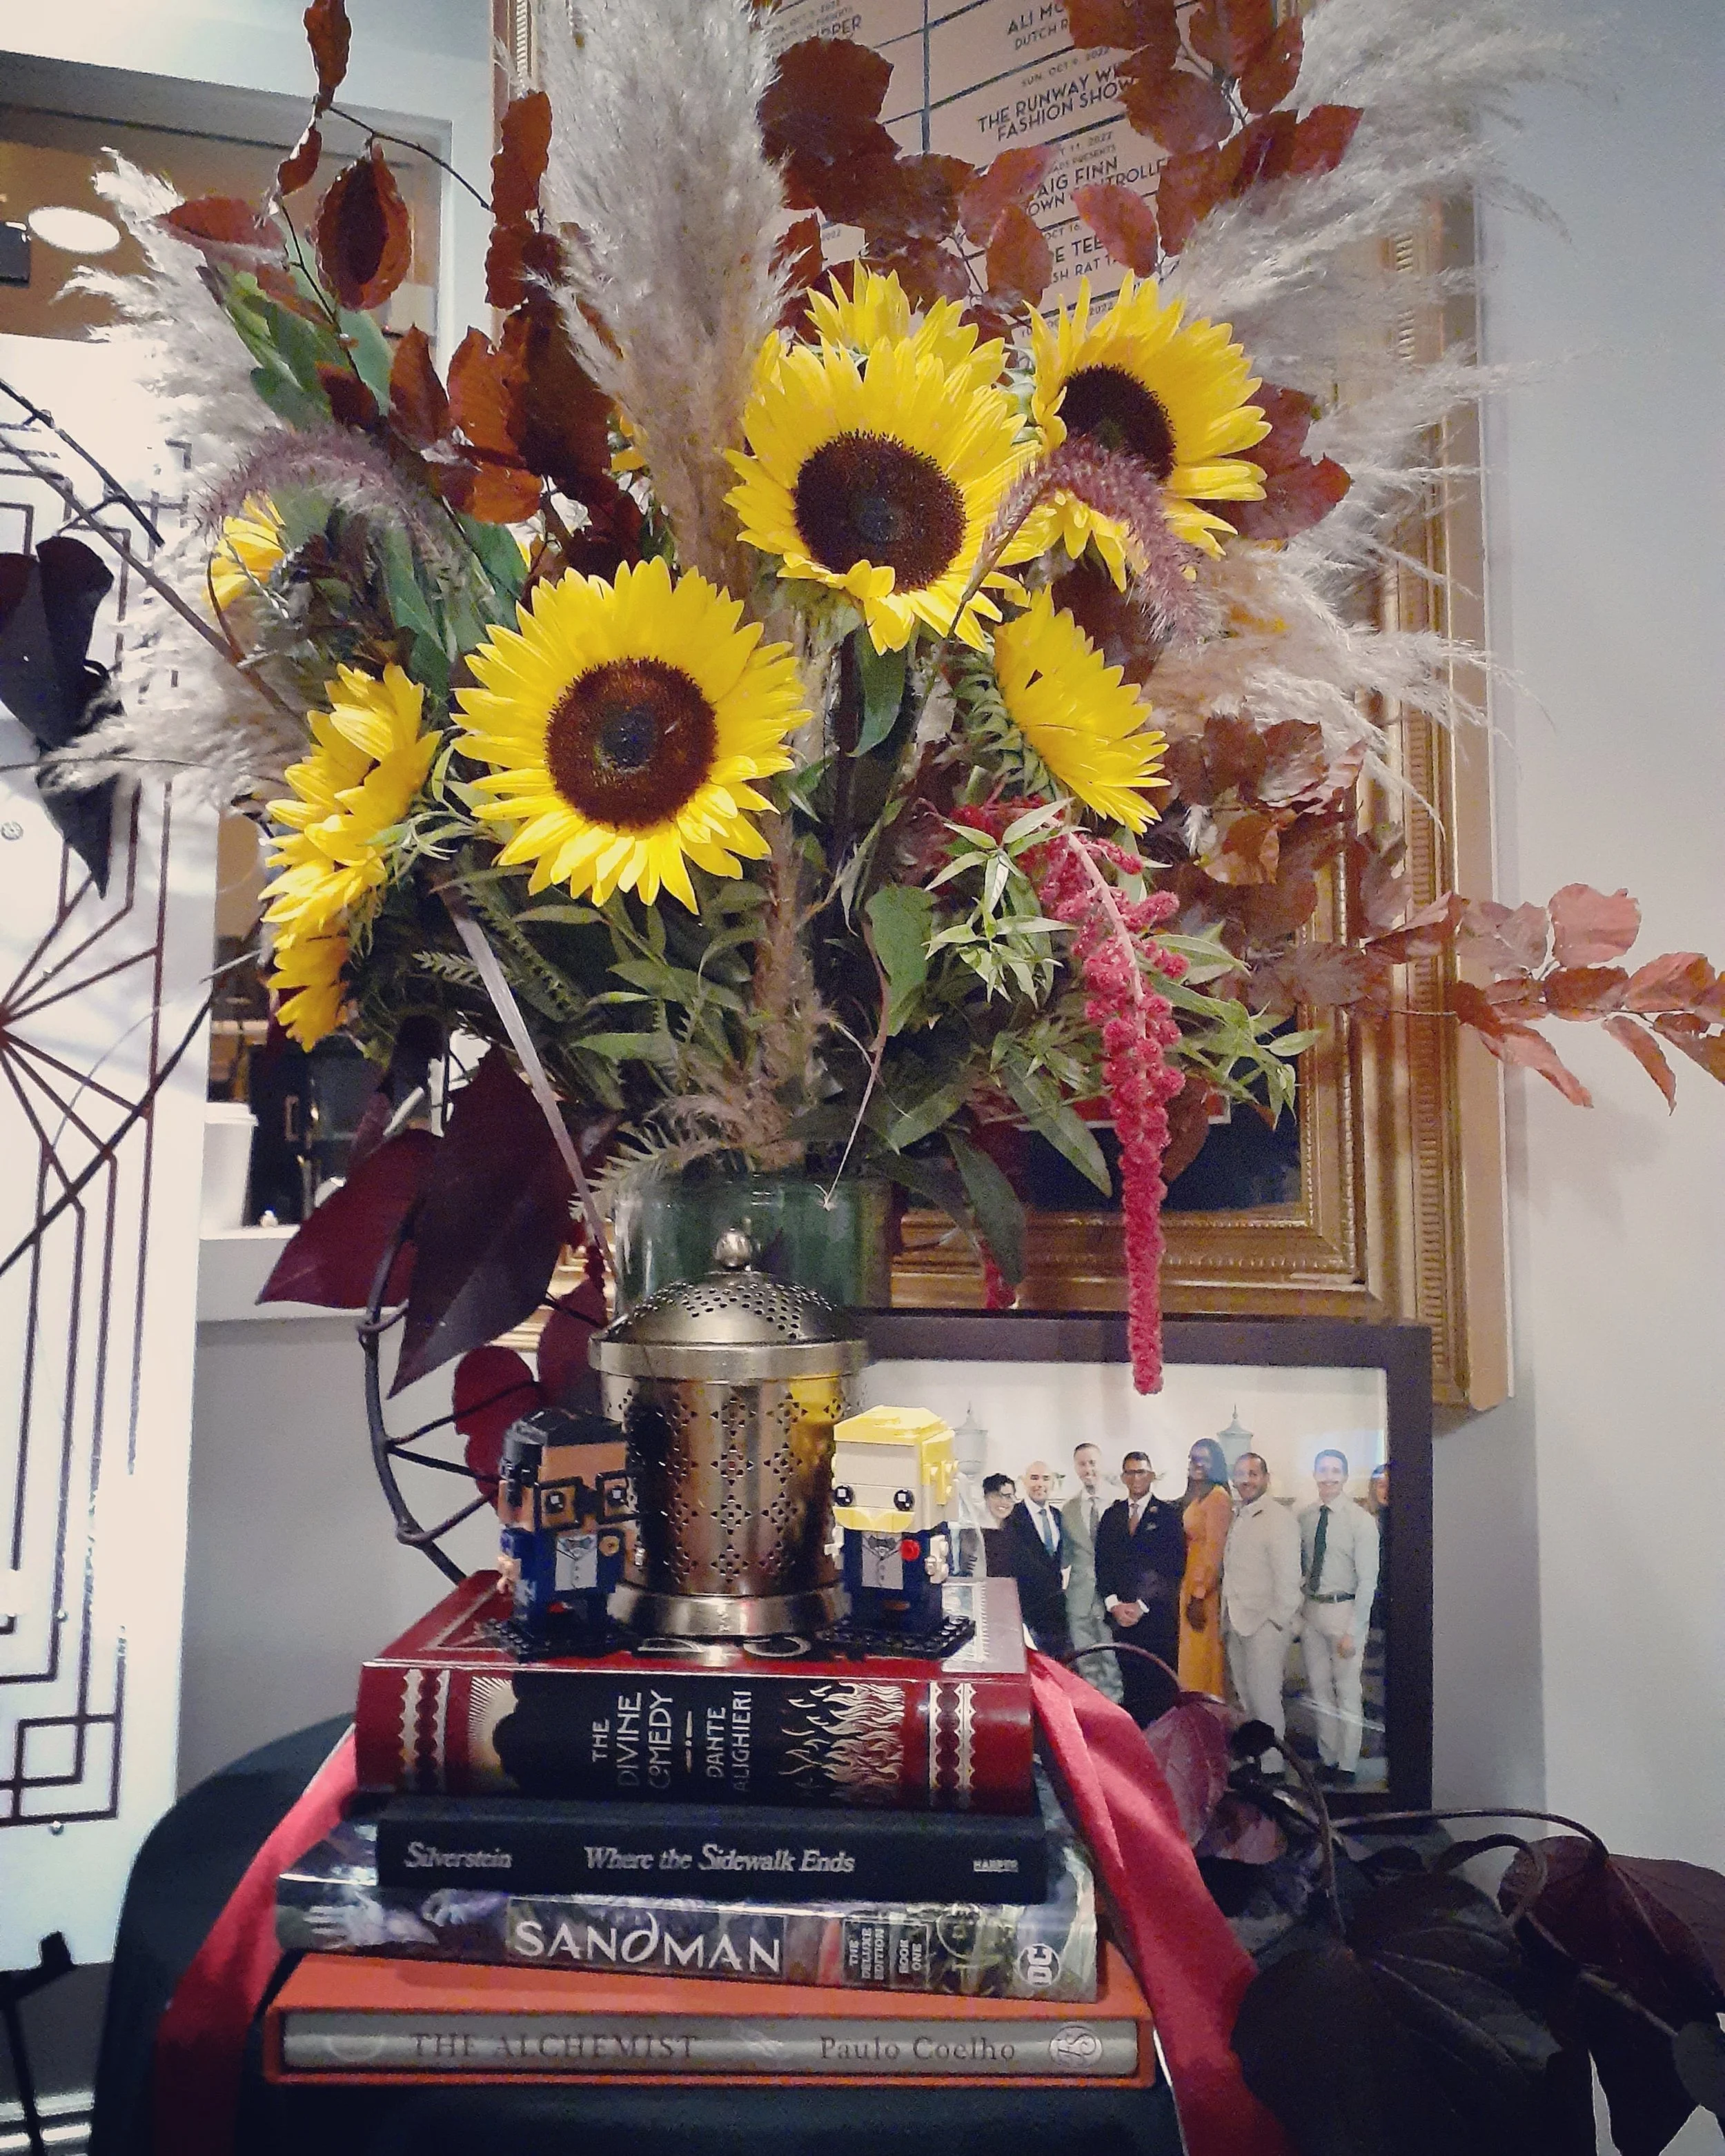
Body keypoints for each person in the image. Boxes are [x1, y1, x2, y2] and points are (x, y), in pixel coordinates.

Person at [1298, 1448, 1381, 1785]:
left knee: (1347, 1690)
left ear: (1345, 1477)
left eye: (1336, 1471)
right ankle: (1328, 1757)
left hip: (1345, 1610)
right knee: (1319, 1689)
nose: (1329, 1477)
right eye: (1323, 1470)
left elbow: (1368, 1581)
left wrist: (1354, 1630)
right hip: (1312, 1611)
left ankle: (1347, 1764)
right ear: (1315, 1475)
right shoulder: (1304, 1517)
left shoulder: (1361, 1522)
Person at [1222, 1452, 1303, 1770]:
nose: (1246, 1480)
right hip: (1238, 1622)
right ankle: (1257, 1763)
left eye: (1253, 1474)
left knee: (1266, 1700)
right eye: (1241, 1474)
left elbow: (1289, 1578)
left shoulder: (1278, 1518)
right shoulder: (1240, 1514)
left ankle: (1273, 1770)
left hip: (1265, 1625)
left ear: (1266, 1479)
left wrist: (1276, 1621)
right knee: (1248, 1700)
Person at [1095, 1450, 1185, 1725]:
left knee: (1158, 1690)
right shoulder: (1112, 1515)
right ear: (1123, 1477)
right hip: (1121, 1620)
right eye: (1131, 1472)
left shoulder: (1169, 1515)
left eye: (1142, 1472)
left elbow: (1172, 1567)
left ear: (1152, 1476)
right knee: (1130, 1688)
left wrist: (1141, 1606)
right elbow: (1102, 1564)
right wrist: (1114, 1605)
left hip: (1155, 1618)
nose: (1136, 1478)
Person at [1061, 1441, 1123, 1703]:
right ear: (1076, 1468)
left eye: (1092, 1463)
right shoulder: (1069, 1509)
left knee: (1112, 1660)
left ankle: (1117, 1711)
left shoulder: (1119, 1503)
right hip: (1079, 1597)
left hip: (1112, 1596)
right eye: (1082, 1464)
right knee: (1085, 1660)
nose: (1088, 1469)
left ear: (1101, 1464)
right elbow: (1064, 1555)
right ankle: (1093, 1711)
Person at [1178, 1436, 1233, 1696]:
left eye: (1204, 1458)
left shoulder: (1219, 1498)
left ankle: (1207, 1720)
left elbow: (1215, 1551)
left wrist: (1199, 1595)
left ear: (1217, 1464)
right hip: (1190, 1581)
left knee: (1203, 1660)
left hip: (1204, 1590)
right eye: (1193, 1458)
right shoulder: (1199, 1496)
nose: (1197, 1463)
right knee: (1191, 1658)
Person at [1001, 1460, 1072, 1656]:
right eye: (1034, 1478)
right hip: (1026, 1612)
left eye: (1045, 1479)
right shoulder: (1012, 1518)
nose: (1040, 1484)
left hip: (1057, 1616)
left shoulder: (1059, 1517)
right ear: (1024, 1482)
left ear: (1053, 1484)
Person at [980, 1472, 1016, 1583]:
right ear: (986, 1497)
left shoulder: (1018, 1530)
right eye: (997, 1496)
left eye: (1009, 1497)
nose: (1004, 1502)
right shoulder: (975, 1532)